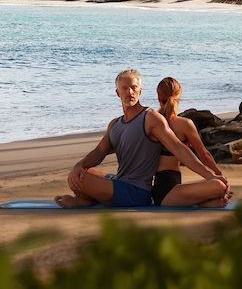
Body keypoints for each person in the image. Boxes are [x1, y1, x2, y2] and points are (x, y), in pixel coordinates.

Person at [55, 68, 229, 208]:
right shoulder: (114, 124)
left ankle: (88, 200)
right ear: (117, 93)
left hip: (136, 190)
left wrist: (210, 176)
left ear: (140, 90)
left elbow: (179, 148)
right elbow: (99, 152)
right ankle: (90, 198)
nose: (130, 92)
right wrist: (79, 165)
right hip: (120, 182)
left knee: (82, 180)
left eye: (134, 88)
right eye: (125, 88)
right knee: (81, 173)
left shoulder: (151, 118)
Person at [152, 77, 230, 207]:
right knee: (219, 186)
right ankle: (205, 202)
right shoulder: (184, 124)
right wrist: (219, 175)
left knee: (219, 194)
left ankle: (206, 202)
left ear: (158, 96)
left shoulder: (152, 122)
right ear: (178, 96)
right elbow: (204, 154)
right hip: (167, 192)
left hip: (159, 189)